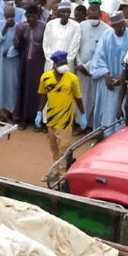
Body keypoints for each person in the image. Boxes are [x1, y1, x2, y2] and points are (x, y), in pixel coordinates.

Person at [37, 50, 84, 182]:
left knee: (64, 149)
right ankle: (55, 172)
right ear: (55, 64)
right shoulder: (45, 78)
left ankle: (64, 175)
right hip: (51, 119)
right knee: (54, 149)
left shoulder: (72, 79)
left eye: (65, 63)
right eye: (61, 63)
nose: (64, 65)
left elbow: (78, 97)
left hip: (65, 120)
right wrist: (39, 112)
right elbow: (43, 95)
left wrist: (83, 114)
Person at [91, 12, 128, 136]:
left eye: (122, 25)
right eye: (117, 26)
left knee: (122, 110)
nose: (120, 28)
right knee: (107, 110)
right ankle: (106, 135)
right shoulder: (106, 36)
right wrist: (106, 76)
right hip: (108, 83)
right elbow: (99, 57)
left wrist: (123, 77)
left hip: (126, 81)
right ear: (112, 26)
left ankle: (121, 136)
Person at [75, 0, 111, 130]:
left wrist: (88, 66)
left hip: (95, 70)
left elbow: (102, 51)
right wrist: (79, 64)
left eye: (96, 16)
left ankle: (90, 125)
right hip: (79, 68)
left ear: (101, 15)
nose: (93, 19)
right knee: (80, 96)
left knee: (93, 98)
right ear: (87, 14)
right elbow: (76, 46)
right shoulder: (81, 26)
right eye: (91, 16)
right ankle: (79, 124)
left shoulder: (107, 30)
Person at [15, 4, 48, 130]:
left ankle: (38, 120)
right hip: (25, 64)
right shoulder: (21, 27)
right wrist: (22, 35)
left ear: (38, 16)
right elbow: (17, 46)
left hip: (39, 63)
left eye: (33, 16)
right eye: (28, 17)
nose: (30, 19)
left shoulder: (44, 27)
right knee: (24, 90)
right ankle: (24, 119)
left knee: (38, 91)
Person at [0, 4, 22, 122]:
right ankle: (2, 111)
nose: (10, 19)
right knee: (1, 84)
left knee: (12, 84)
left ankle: (12, 111)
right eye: (8, 16)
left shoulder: (18, 27)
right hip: (1, 60)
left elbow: (19, 44)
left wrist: (10, 51)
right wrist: (5, 27)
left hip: (12, 60)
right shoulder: (0, 24)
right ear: (4, 16)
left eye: (12, 16)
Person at [43, 0, 81, 73]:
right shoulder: (50, 24)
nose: (66, 14)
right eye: (63, 12)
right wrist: (53, 61)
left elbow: (74, 47)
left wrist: (64, 63)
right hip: (50, 63)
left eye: (68, 12)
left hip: (67, 65)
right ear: (58, 13)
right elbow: (46, 45)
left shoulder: (76, 26)